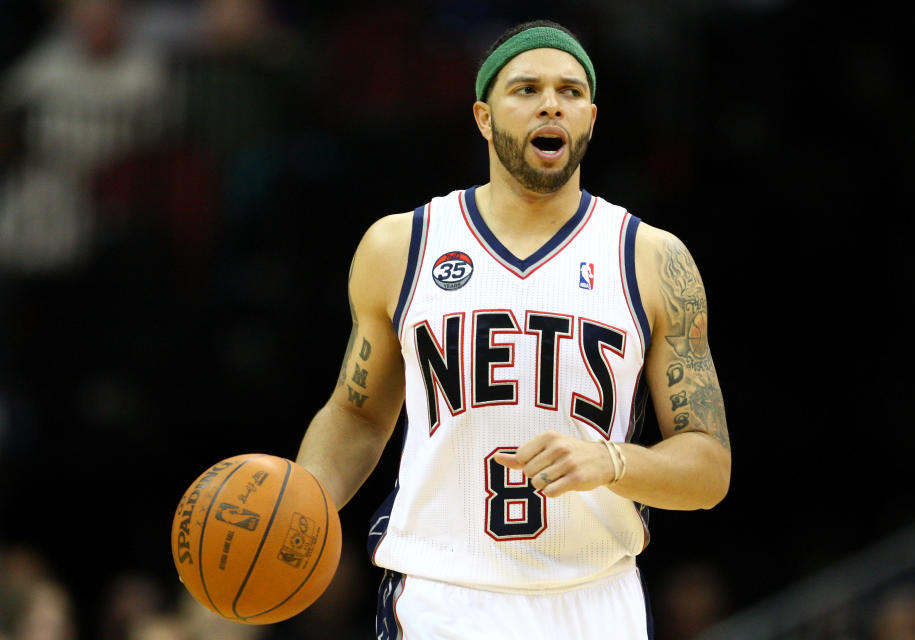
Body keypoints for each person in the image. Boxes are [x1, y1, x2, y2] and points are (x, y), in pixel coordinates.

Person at [296, 20, 731, 639]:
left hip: (595, 597)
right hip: (443, 594)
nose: (551, 103)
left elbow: (709, 469)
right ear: (482, 116)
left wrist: (611, 461)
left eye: (571, 91)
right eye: (526, 89)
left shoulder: (653, 260)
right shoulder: (402, 245)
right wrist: (299, 504)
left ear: (590, 118)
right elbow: (359, 414)